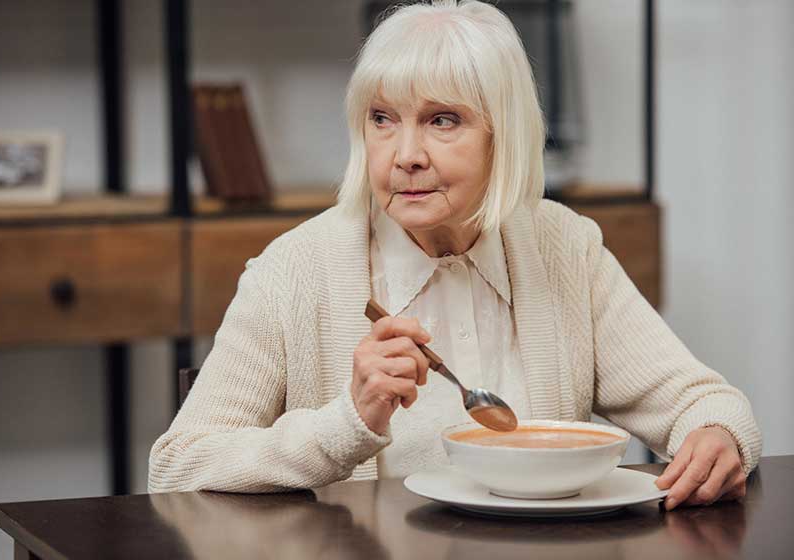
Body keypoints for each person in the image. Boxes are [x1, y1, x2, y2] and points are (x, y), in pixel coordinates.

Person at [149, 0, 761, 511]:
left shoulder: (565, 247)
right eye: (382, 119)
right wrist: (346, 421)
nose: (404, 154)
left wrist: (718, 433)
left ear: (506, 133)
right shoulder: (293, 271)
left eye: (443, 120)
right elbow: (177, 467)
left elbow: (700, 399)